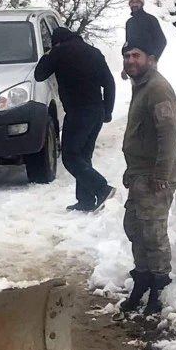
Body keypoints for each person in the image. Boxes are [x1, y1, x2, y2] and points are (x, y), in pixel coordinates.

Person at [120, 38, 176, 315]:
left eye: (136, 55)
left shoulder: (157, 88)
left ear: (151, 58)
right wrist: (131, 170)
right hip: (139, 175)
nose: (130, 60)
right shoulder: (141, 85)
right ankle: (142, 280)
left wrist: (161, 174)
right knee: (135, 229)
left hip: (155, 177)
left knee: (154, 234)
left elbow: (168, 135)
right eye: (126, 56)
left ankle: (159, 287)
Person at [35, 27, 116, 212]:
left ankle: (101, 188)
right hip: (97, 110)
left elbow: (39, 74)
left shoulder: (59, 52)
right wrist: (107, 110)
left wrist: (48, 53)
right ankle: (86, 201)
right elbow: (109, 82)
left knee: (71, 157)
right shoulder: (94, 52)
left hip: (78, 112)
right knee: (84, 156)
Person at [121, 0, 166, 80]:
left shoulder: (150, 19)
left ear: (142, 4)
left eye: (137, 2)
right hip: (133, 64)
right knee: (137, 90)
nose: (134, 4)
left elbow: (162, 40)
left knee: (150, 89)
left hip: (148, 63)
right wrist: (125, 66)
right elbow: (128, 46)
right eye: (132, 2)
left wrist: (154, 59)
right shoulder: (129, 23)